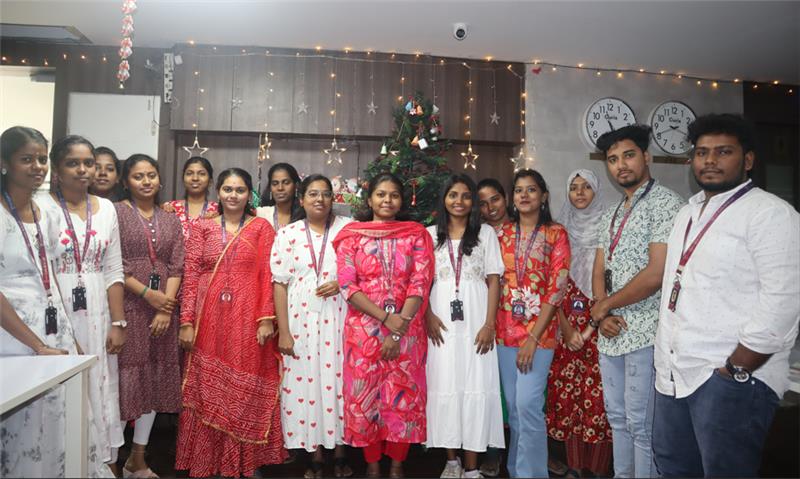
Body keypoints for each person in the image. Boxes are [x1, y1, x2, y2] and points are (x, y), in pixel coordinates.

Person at [652, 114, 800, 477]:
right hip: (673, 373)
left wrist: (735, 369)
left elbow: (783, 301)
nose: (710, 160)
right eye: (702, 152)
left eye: (723, 152)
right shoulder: (686, 214)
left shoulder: (770, 214)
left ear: (747, 160)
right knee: (673, 468)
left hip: (729, 377)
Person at [176, 168, 286, 477]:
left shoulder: (261, 227)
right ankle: (207, 462)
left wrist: (266, 319)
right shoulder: (202, 227)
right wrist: (186, 321)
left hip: (248, 316)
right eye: (227, 189)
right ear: (219, 192)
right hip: (207, 316)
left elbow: (267, 275)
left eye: (240, 190)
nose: (233, 195)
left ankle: (244, 463)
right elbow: (191, 274)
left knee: (244, 385)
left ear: (249, 194)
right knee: (206, 388)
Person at [590, 125, 684, 478]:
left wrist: (605, 305)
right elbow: (600, 268)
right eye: (613, 159)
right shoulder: (613, 211)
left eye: (628, 155)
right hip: (611, 331)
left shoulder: (667, 204)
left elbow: (657, 272)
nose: (621, 165)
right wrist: (603, 312)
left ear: (646, 156)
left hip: (647, 331)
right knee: (617, 419)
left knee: (642, 426)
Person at [333, 172, 434, 478]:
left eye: (393, 195)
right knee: (364, 399)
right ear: (370, 199)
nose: (387, 200)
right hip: (362, 332)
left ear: (401, 201)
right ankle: (373, 464)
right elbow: (347, 286)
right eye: (381, 194)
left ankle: (397, 465)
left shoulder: (416, 235)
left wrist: (397, 329)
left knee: (403, 398)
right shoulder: (351, 236)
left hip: (407, 329)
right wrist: (386, 319)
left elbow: (420, 283)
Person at [41, 135, 127, 473]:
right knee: (63, 389)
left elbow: (114, 269)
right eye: (72, 163)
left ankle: (100, 463)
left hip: (98, 311)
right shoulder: (40, 207)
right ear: (57, 168)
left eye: (88, 163)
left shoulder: (106, 209)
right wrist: (65, 330)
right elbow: (42, 271)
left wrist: (118, 323)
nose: (82, 170)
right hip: (55, 310)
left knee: (99, 385)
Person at [273, 174, 353, 479]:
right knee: (307, 384)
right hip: (300, 320)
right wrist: (284, 331)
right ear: (302, 199)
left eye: (326, 194)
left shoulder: (348, 230)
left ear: (333, 199)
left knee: (339, 382)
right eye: (313, 194)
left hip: (340, 317)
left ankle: (341, 451)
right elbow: (280, 284)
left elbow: (363, 270)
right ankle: (315, 454)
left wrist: (341, 282)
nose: (320, 199)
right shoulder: (288, 234)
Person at [425, 174, 505, 479]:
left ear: (473, 202)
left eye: (466, 196)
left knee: (475, 386)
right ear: (443, 199)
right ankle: (452, 461)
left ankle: (471, 467)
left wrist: (489, 323)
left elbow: (494, 280)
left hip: (476, 320)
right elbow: (420, 282)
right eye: (453, 195)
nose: (459, 201)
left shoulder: (486, 233)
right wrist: (427, 315)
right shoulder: (429, 235)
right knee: (445, 384)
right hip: (440, 322)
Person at [495, 168, 570, 478]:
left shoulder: (556, 233)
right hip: (503, 333)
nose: (524, 195)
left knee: (528, 404)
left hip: (540, 335)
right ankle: (517, 469)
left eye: (531, 189)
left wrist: (533, 339)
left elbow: (557, 288)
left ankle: (533, 473)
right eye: (519, 190)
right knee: (515, 408)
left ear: (544, 196)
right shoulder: (501, 234)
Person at [115, 154, 185, 478]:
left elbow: (176, 266)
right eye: (138, 176)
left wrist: (164, 307)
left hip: (163, 313)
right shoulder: (116, 212)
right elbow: (113, 264)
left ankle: (138, 459)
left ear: (159, 179)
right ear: (126, 181)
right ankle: (111, 460)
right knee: (127, 383)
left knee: (155, 380)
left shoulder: (170, 219)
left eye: (151, 175)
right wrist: (147, 294)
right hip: (129, 304)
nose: (146, 181)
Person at [546, 169, 612, 478]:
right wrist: (566, 328)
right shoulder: (560, 232)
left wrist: (589, 329)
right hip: (566, 330)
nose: (580, 192)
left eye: (586, 187)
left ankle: (597, 469)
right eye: (574, 187)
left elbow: (612, 281)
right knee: (569, 397)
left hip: (602, 326)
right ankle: (573, 466)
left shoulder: (609, 229)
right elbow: (552, 285)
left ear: (596, 191)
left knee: (599, 399)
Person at [162, 156, 219, 240]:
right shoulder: (170, 207)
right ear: (183, 179)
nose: (195, 178)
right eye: (189, 173)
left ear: (210, 181)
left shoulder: (218, 210)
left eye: (202, 174)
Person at [258, 162, 301, 231]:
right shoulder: (261, 214)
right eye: (275, 184)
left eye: (286, 183)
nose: (280, 188)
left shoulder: (305, 215)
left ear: (296, 185)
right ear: (270, 187)